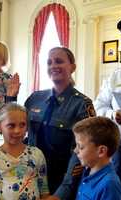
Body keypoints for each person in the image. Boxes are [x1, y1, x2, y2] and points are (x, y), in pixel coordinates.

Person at [25, 47, 96, 199]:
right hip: (29, 177)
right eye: (49, 62)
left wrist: (61, 193)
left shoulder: (82, 104)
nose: (53, 66)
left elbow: (83, 150)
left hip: (61, 182)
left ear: (72, 67)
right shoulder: (35, 98)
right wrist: (11, 97)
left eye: (59, 61)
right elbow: (15, 130)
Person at [0, 103, 49, 200]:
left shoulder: (37, 154)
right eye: (11, 126)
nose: (17, 130)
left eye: (22, 125)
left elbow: (44, 191)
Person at [73, 116, 121, 200]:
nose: (75, 150)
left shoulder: (110, 185)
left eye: (80, 147)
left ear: (101, 151)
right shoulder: (87, 171)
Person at [94, 67, 121, 184]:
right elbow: (99, 106)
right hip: (120, 145)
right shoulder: (116, 76)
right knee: (117, 183)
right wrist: (113, 114)